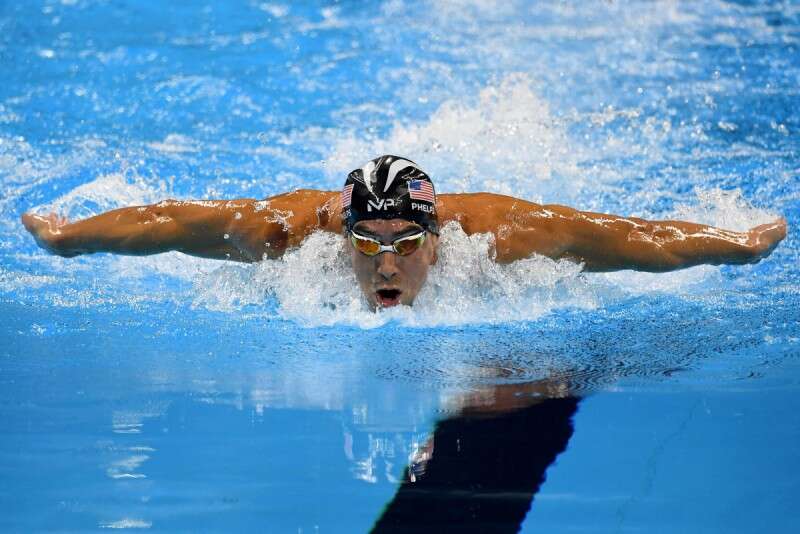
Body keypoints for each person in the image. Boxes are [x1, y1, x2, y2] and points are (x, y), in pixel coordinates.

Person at [21, 154, 787, 310]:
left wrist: (733, 243)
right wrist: (70, 238)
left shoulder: (503, 235)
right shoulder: (290, 235)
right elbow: (169, 222)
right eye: (365, 244)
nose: (385, 265)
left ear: (437, 238)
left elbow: (629, 239)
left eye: (406, 244)